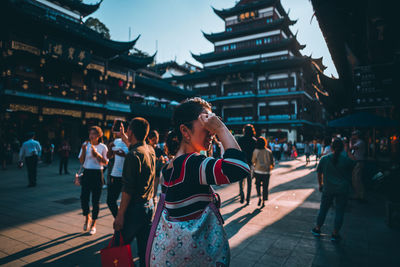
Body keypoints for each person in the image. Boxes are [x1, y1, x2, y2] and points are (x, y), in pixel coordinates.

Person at [155, 98, 249, 265]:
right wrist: (221, 128)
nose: (211, 131)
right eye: (206, 123)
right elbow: (239, 167)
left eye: (212, 122)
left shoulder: (169, 167)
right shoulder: (193, 164)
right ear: (185, 131)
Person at [113, 117, 155, 267]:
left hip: (134, 209)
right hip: (148, 206)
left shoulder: (133, 155)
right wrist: (125, 138)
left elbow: (128, 189)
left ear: (130, 131)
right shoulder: (149, 150)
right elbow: (133, 146)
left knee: (117, 249)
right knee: (144, 252)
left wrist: (120, 215)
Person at [311, 138, 355, 242]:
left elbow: (319, 173)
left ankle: (317, 228)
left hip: (328, 188)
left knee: (324, 209)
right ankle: (335, 233)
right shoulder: (346, 160)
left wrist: (320, 184)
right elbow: (354, 162)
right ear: (342, 148)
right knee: (339, 211)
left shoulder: (324, 159)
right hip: (342, 189)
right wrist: (348, 150)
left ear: (331, 147)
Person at [78, 126, 108, 235]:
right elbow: (81, 161)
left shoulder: (103, 147)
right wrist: (84, 151)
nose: (91, 136)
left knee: (96, 201)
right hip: (86, 173)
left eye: (94, 134)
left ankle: (94, 224)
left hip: (97, 174)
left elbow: (105, 162)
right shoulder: (85, 145)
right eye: (90, 133)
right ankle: (87, 217)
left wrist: (97, 155)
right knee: (83, 198)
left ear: (99, 136)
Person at [106, 131, 129, 218]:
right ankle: (118, 219)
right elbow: (108, 156)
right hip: (115, 174)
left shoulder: (130, 143)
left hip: (126, 176)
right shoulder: (116, 141)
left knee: (125, 203)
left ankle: (123, 222)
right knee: (110, 201)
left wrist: (124, 155)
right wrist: (109, 148)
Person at [252, 136, 274, 208]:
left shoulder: (256, 151)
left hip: (258, 171)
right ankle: (264, 201)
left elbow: (253, 161)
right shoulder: (269, 151)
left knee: (257, 185)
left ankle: (259, 197)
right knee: (265, 187)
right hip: (266, 172)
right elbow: (272, 162)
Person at [238, 124, 257, 205]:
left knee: (241, 181)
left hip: (241, 162)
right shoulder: (254, 140)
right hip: (250, 162)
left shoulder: (240, 139)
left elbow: (238, 150)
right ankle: (248, 199)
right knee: (249, 182)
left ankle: (242, 194)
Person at [147, 130, 165, 206]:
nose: (155, 141)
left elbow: (164, 161)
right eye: (153, 140)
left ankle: (154, 211)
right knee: (148, 194)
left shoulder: (159, 150)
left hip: (156, 174)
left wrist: (162, 160)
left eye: (156, 139)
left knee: (154, 194)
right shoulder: (146, 149)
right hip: (147, 174)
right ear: (149, 139)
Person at [349, 130, 366, 201]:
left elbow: (351, 148)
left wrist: (350, 141)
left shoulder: (360, 142)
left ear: (357, 135)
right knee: (355, 179)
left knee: (357, 179)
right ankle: (358, 195)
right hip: (356, 162)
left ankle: (361, 196)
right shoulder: (358, 142)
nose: (352, 136)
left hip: (359, 162)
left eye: (353, 134)